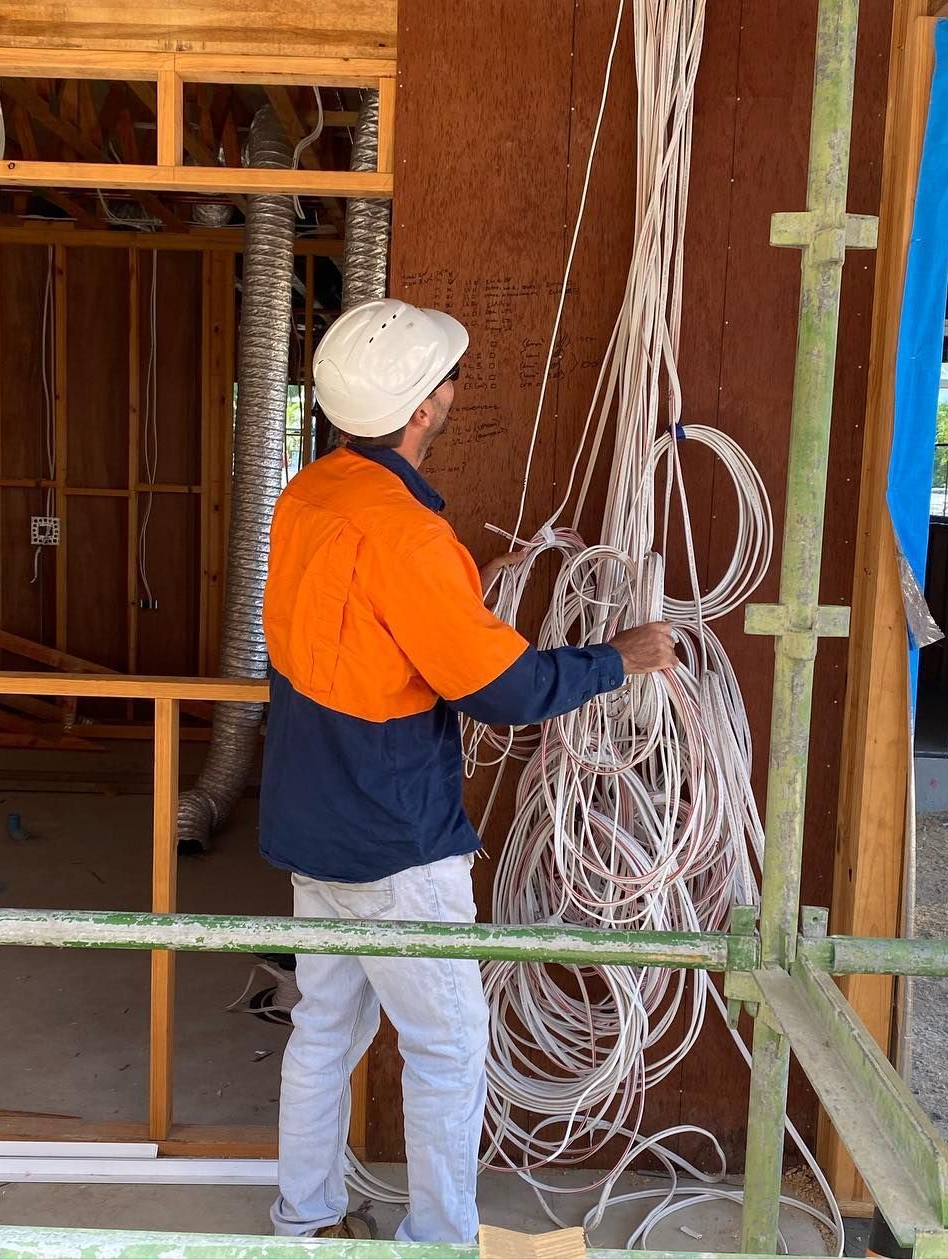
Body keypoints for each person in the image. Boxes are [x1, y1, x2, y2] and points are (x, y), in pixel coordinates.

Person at [260, 298, 677, 1244]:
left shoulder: (307, 497)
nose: (454, 391)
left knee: (323, 1029)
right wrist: (621, 656)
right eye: (447, 380)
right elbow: (506, 690)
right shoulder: (407, 535)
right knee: (447, 1045)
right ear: (422, 408)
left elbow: (353, 646)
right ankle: (439, 1239)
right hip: (394, 834)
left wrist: (474, 608)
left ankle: (303, 1218)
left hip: (309, 818)